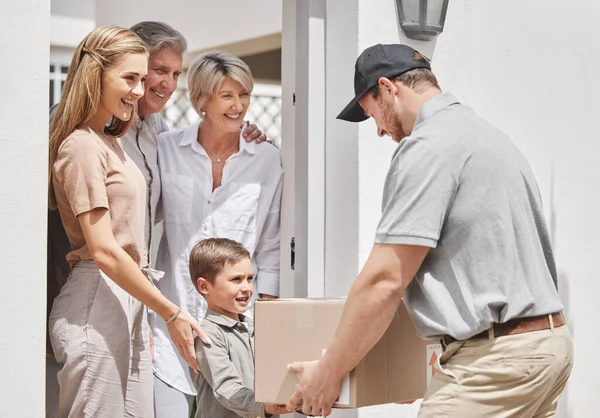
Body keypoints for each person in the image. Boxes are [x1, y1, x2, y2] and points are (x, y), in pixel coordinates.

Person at [286, 43, 573, 417]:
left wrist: (328, 373)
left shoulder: (427, 148)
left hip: (497, 362)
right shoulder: (486, 137)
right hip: (546, 348)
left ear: (389, 89)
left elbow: (385, 280)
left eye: (373, 115)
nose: (379, 131)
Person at [47, 25, 204, 417]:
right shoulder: (80, 144)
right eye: (130, 78)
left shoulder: (113, 139)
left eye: (141, 78)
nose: (139, 89)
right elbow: (103, 250)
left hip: (128, 301)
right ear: (95, 76)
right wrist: (170, 312)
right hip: (96, 300)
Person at [151, 50, 284, 416]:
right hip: (171, 320)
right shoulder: (167, 149)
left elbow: (270, 244)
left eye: (244, 95)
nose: (238, 105)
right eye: (227, 95)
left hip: (235, 333)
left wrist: (267, 327)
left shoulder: (267, 159)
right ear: (201, 100)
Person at [187, 238, 290, 417]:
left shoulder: (254, 328)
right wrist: (261, 406)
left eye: (249, 279)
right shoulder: (207, 335)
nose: (247, 288)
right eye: (236, 279)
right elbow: (226, 387)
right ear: (204, 286)